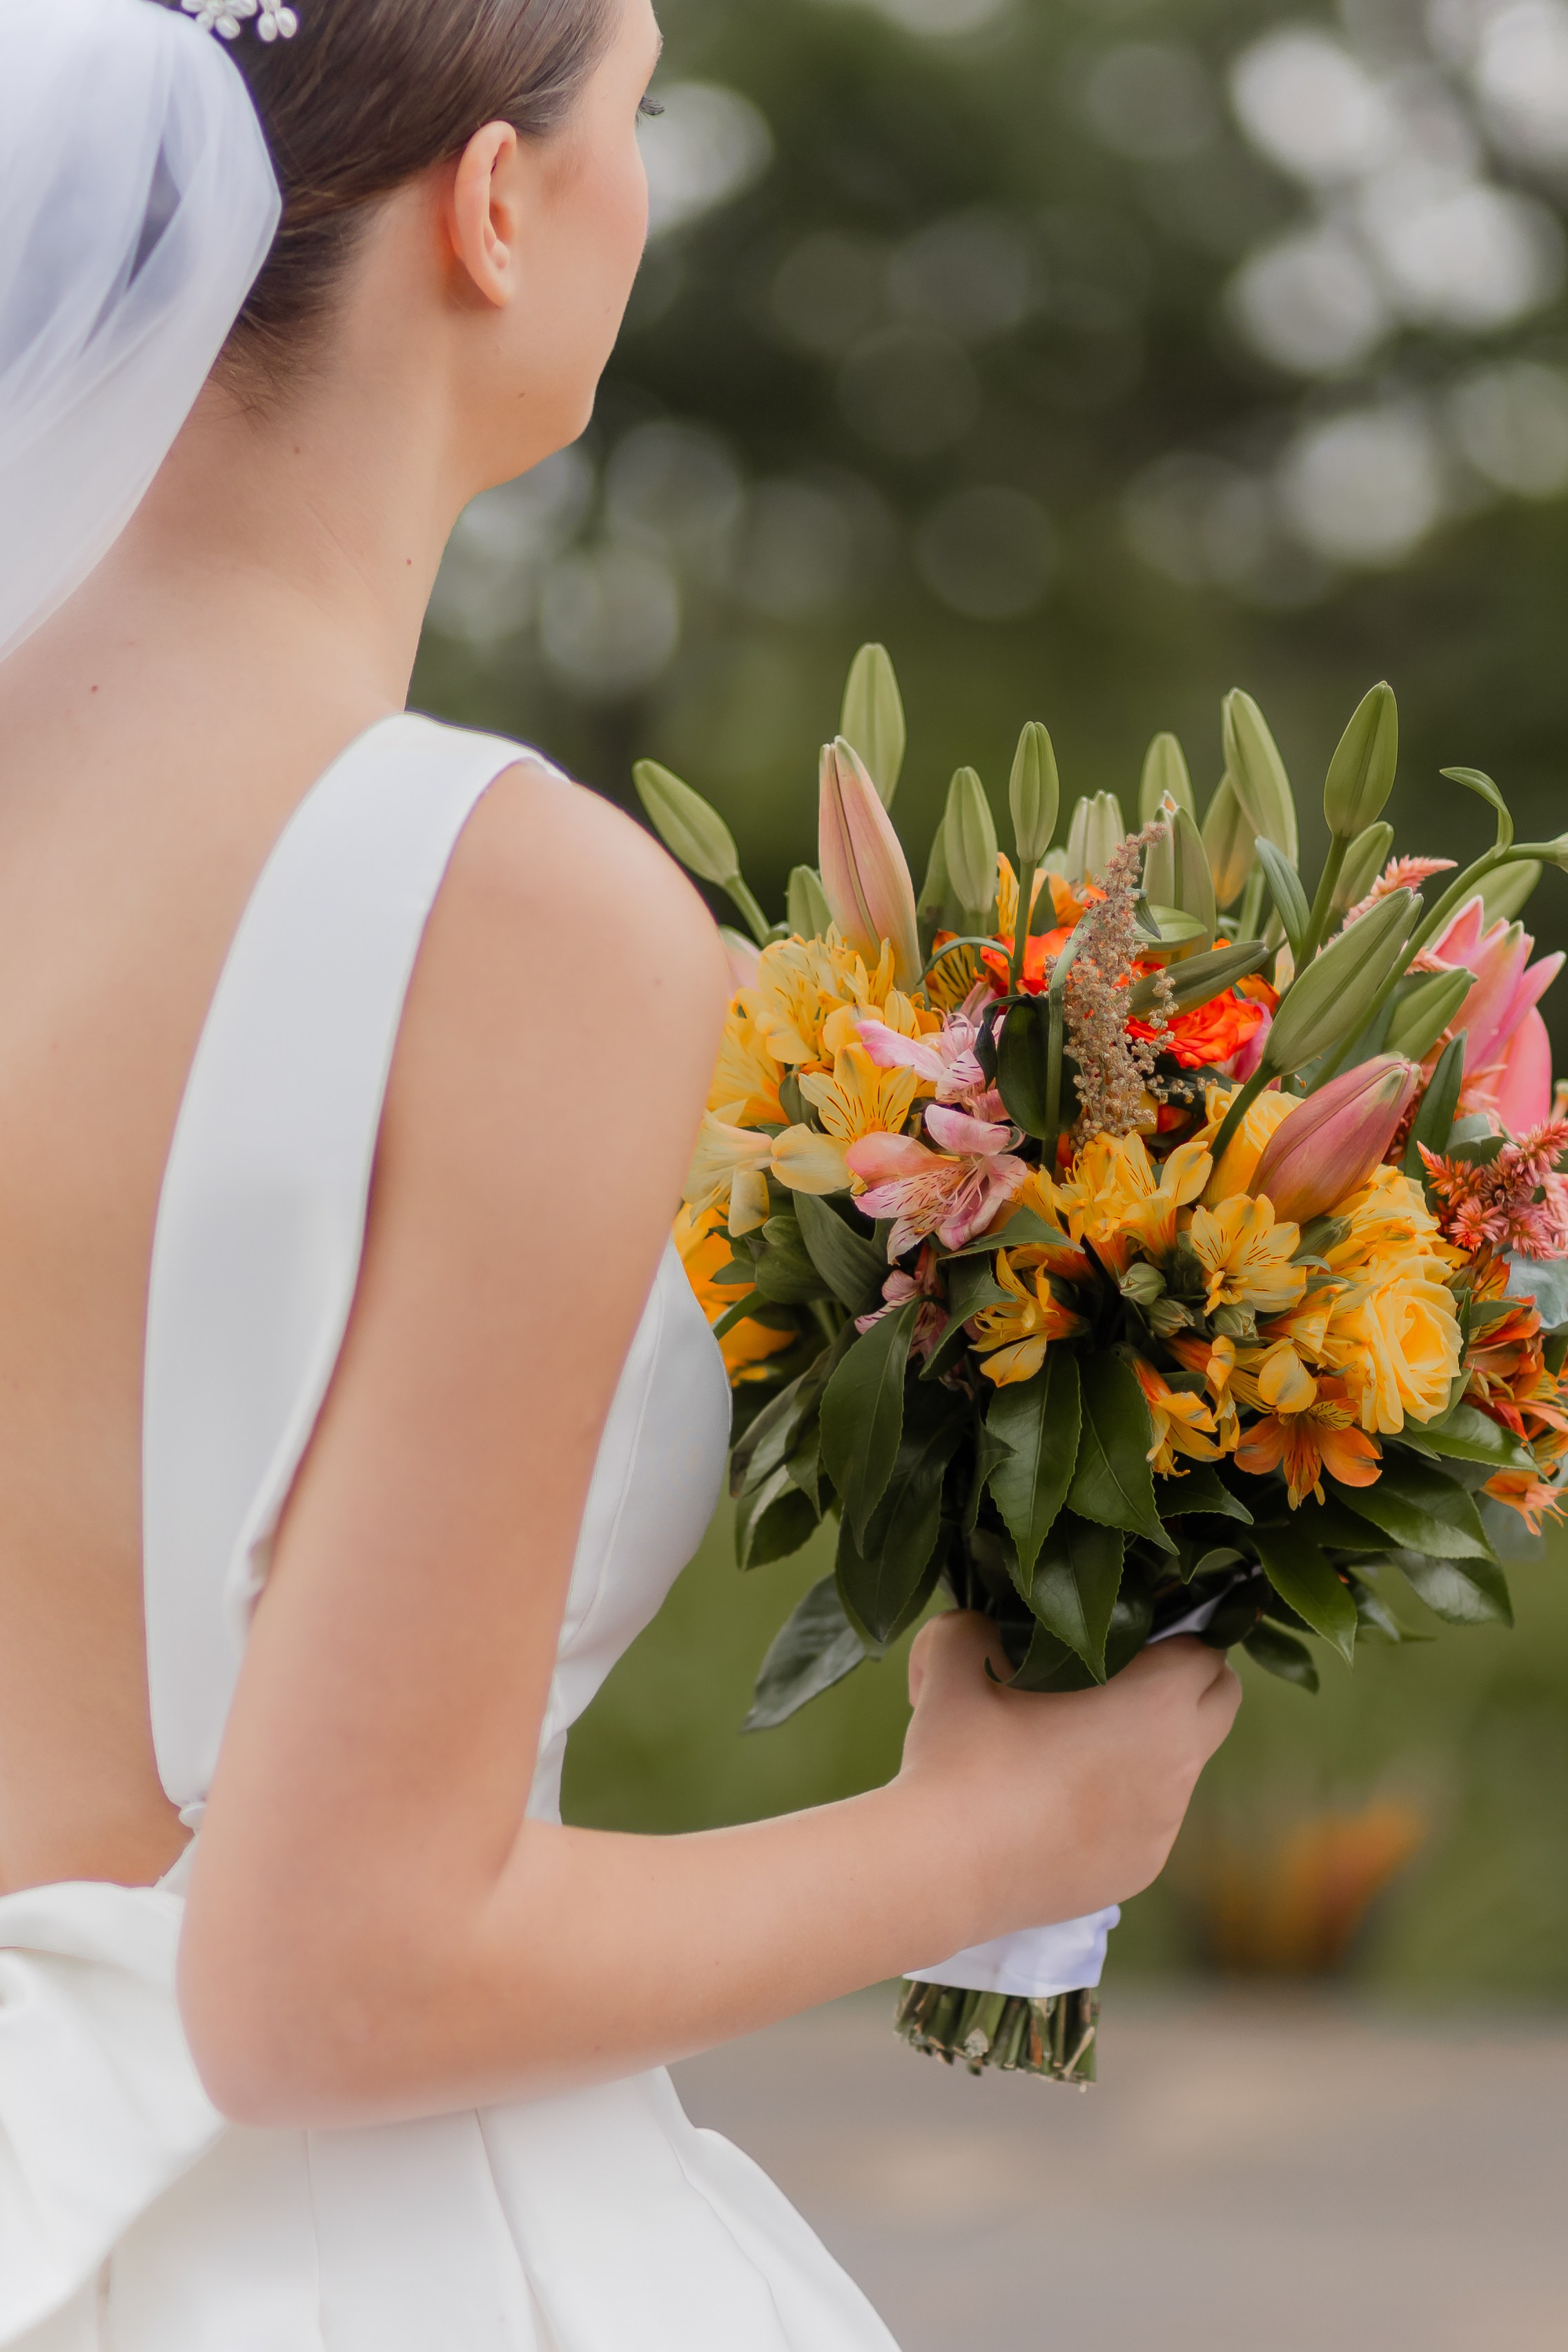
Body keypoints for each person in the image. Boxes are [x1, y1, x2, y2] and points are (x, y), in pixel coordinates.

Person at [0, 1, 1242, 2344]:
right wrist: (1009, 1837)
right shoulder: (497, 906)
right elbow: (323, 1989)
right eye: (640, 106)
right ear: (493, 205)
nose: (640, 183)